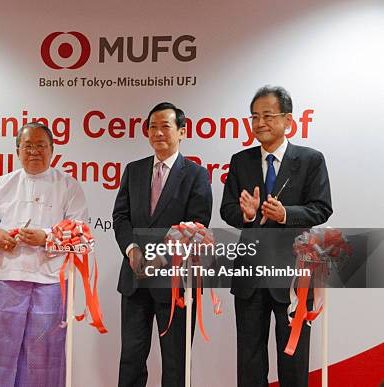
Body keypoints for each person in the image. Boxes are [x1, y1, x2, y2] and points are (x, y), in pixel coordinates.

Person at [220, 85, 332, 387]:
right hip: (250, 275)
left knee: (293, 360)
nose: (260, 123)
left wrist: (285, 215)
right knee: (249, 360)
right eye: (255, 117)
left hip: (293, 275)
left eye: (268, 116)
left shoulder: (310, 160)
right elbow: (227, 209)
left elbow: (321, 209)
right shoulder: (241, 160)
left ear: (288, 120)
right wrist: (248, 214)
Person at [0, 122, 88, 387]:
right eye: (28, 146)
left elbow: (80, 229)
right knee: (4, 347)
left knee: (46, 350)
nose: (34, 151)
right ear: (17, 150)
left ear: (52, 150)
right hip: (9, 278)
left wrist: (46, 237)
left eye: (41, 146)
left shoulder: (68, 185)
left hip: (50, 279)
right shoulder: (5, 183)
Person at [113, 102, 212, 387]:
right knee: (131, 358)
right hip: (135, 278)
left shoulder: (196, 174)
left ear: (182, 132)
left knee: (175, 362)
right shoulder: (134, 170)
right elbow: (120, 216)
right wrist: (132, 250)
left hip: (175, 282)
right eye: (152, 127)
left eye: (165, 126)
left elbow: (197, 225)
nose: (158, 133)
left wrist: (159, 257)